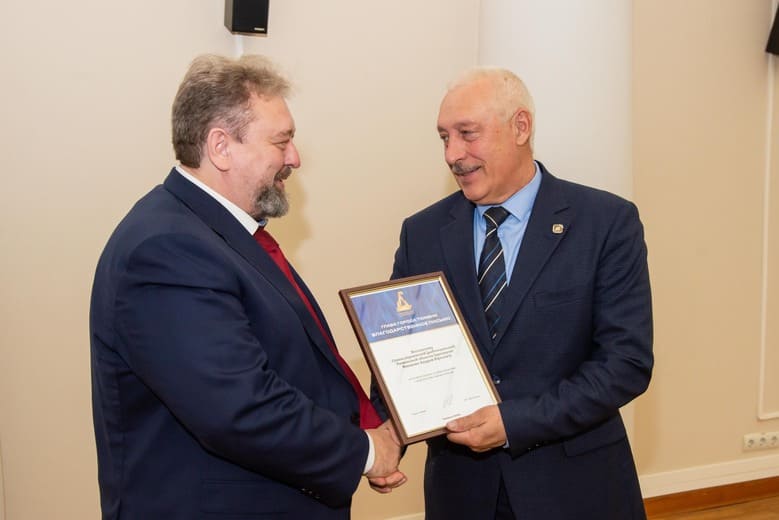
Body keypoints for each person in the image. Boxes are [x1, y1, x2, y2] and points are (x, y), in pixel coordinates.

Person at [89, 54, 404, 519]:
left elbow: (290, 367)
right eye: (282, 141)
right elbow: (239, 408)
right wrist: (366, 451)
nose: (294, 158)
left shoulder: (214, 235)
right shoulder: (167, 249)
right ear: (221, 147)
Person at [386, 68, 653, 519]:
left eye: (467, 134)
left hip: (575, 489)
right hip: (461, 492)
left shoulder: (606, 222)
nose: (453, 154)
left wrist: (514, 422)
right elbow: (400, 348)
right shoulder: (422, 233)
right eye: (444, 138)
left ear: (521, 127)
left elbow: (625, 363)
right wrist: (386, 437)